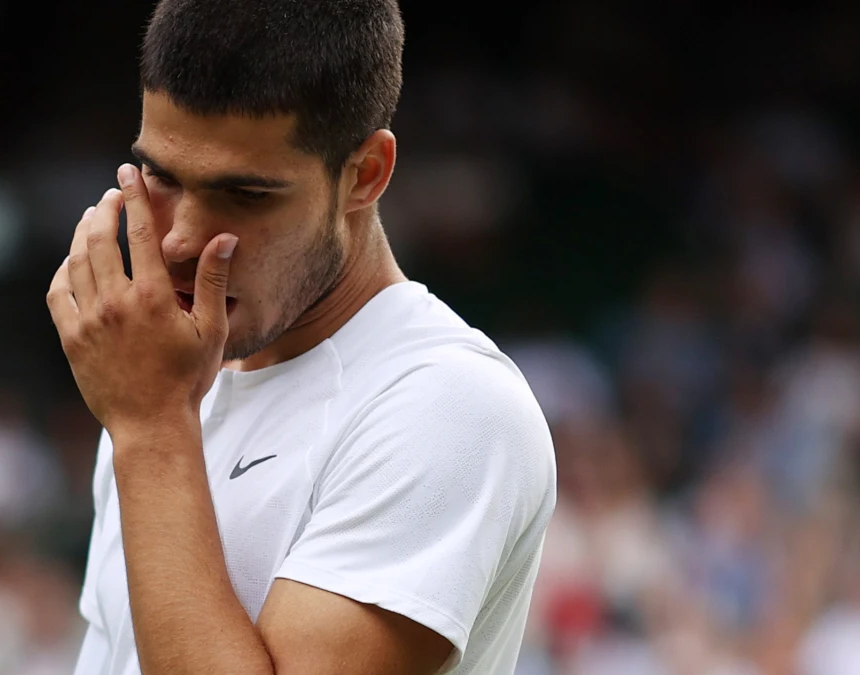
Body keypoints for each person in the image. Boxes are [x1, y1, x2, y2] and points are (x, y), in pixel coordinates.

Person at [45, 1, 557, 673]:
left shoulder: (448, 402)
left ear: (366, 173)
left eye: (246, 194)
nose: (179, 238)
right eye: (162, 177)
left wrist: (150, 427)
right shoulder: (165, 375)